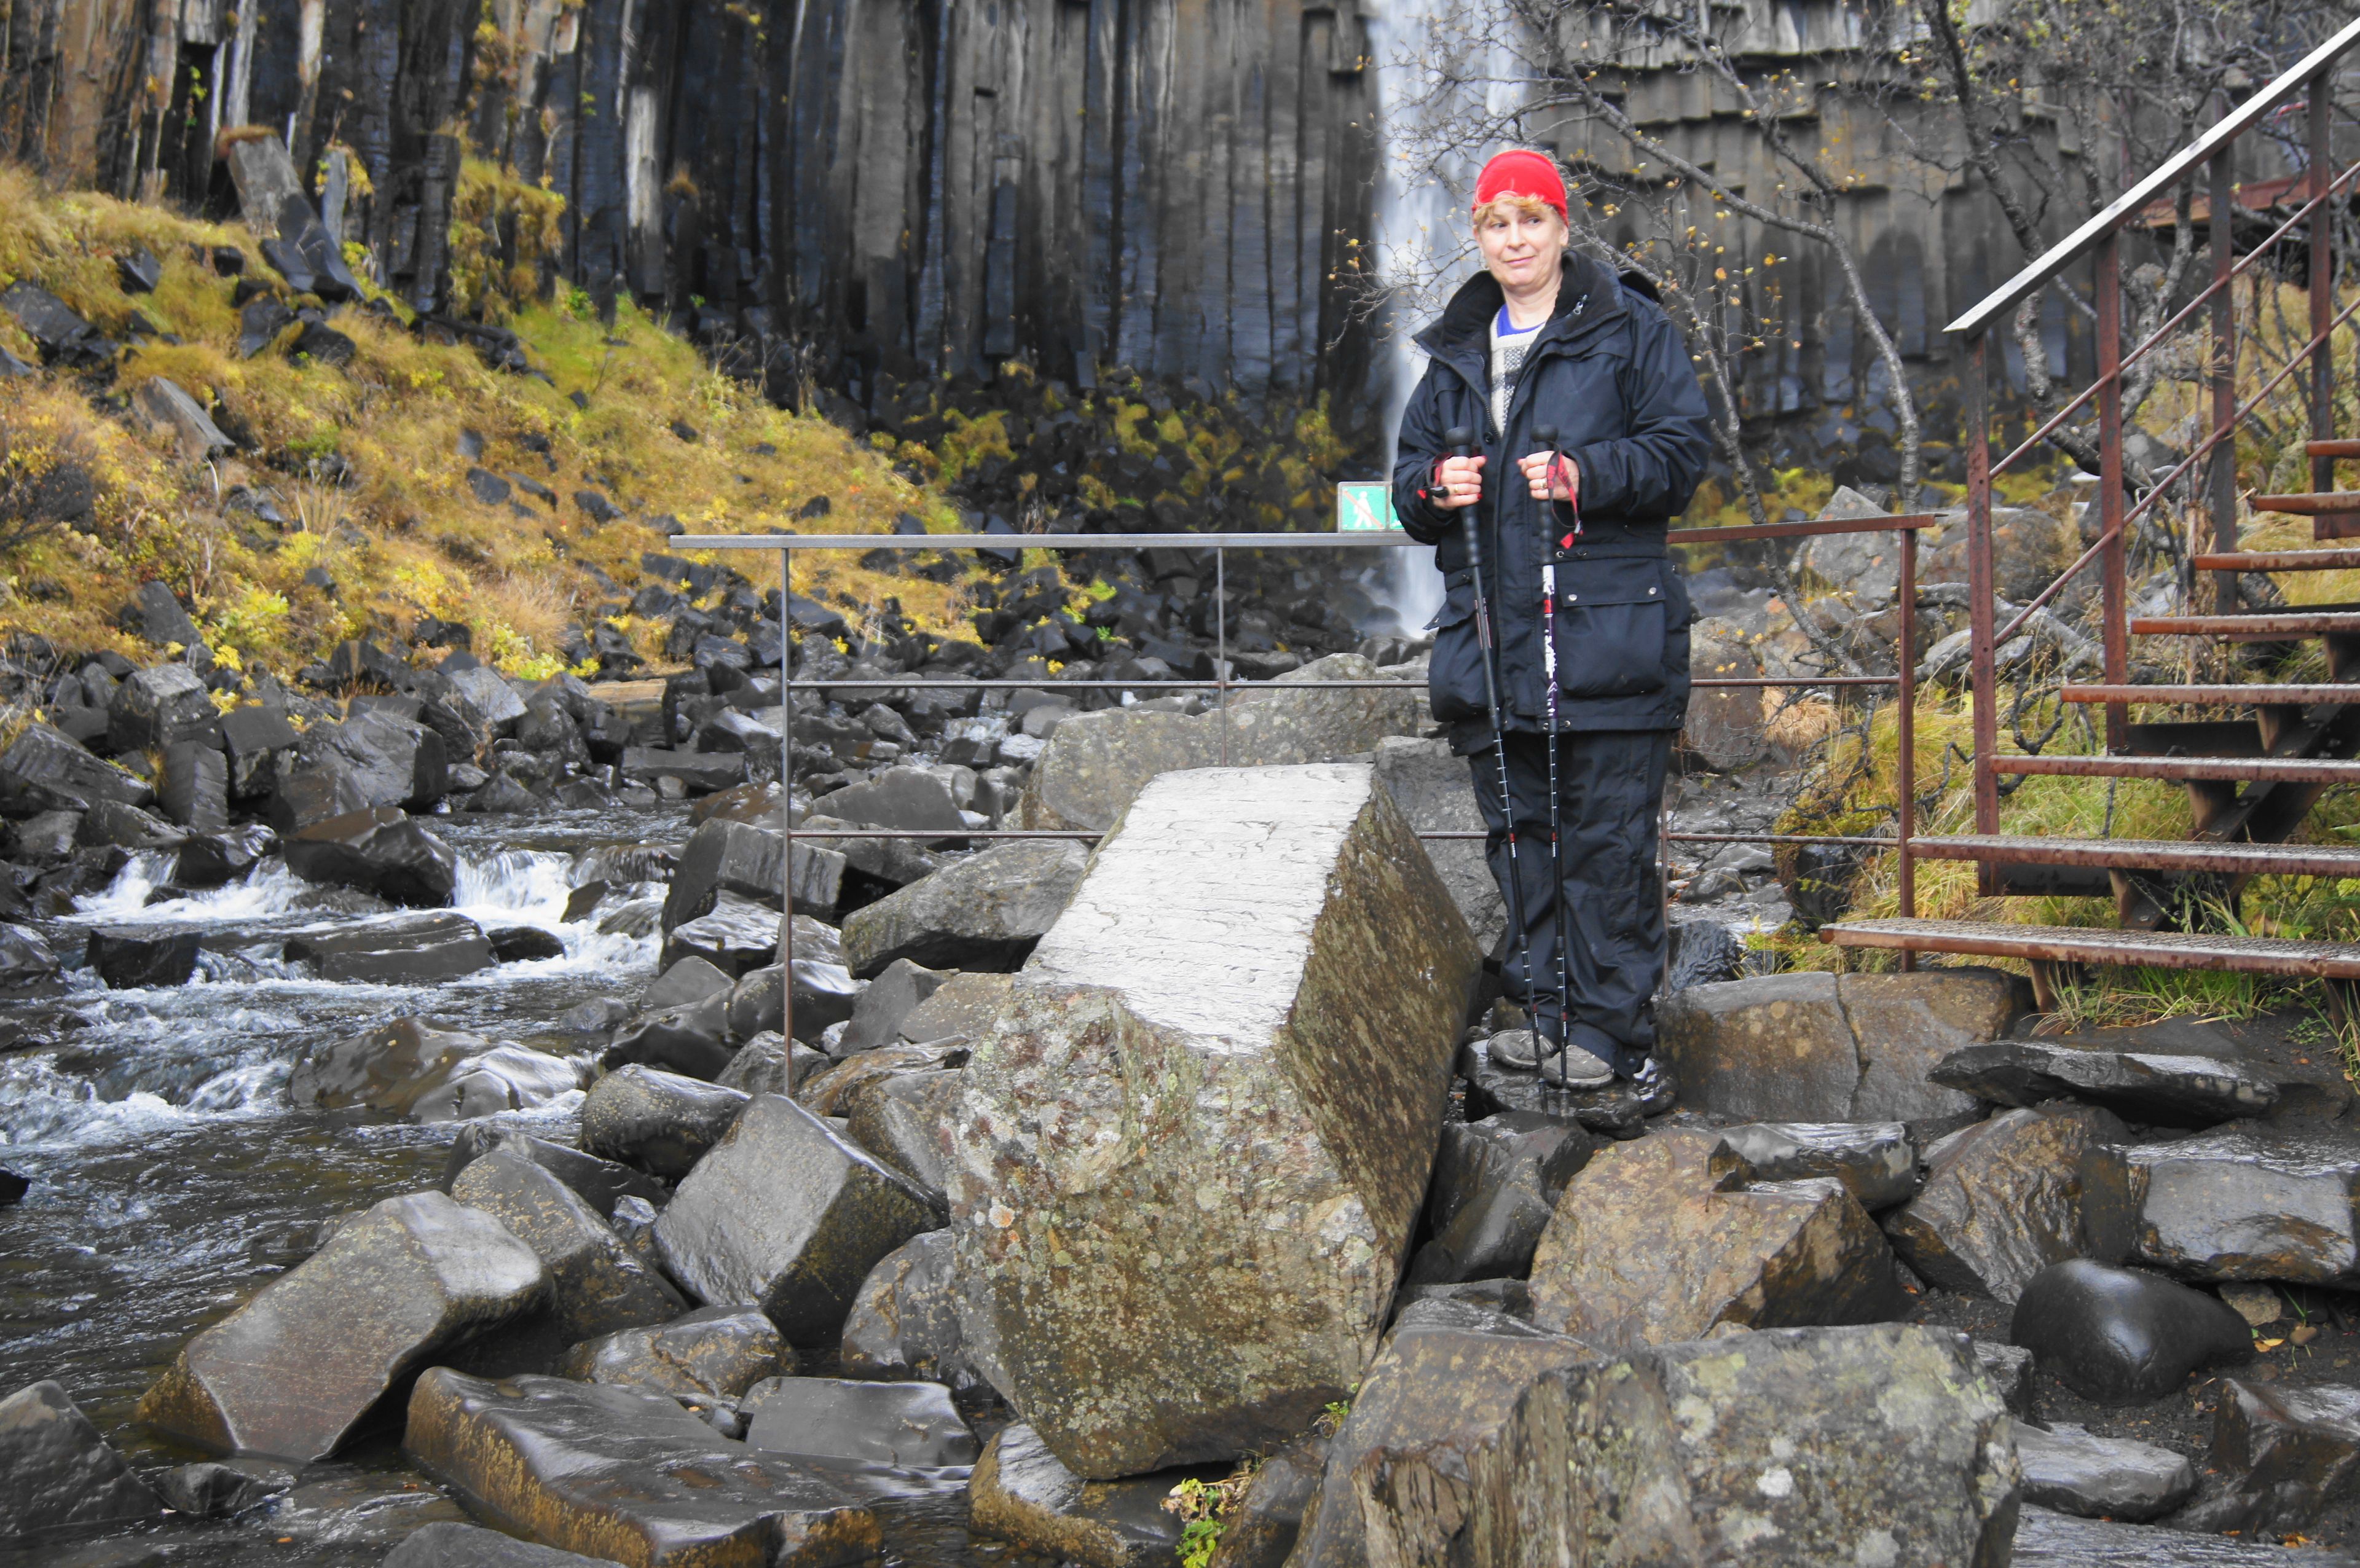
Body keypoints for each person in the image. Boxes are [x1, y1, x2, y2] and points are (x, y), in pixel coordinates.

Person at [1391, 147, 1712, 1097]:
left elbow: (1682, 456)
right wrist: (1432, 487)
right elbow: (1407, 495)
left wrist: (1589, 474)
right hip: (1494, 649)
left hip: (1605, 639)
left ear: (1563, 228)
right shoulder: (1451, 355)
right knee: (1523, 840)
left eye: (1533, 219)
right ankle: (1549, 1015)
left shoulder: (1630, 329)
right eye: (1498, 222)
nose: (1516, 237)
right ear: (1479, 236)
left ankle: (1614, 1037)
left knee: (1606, 843)